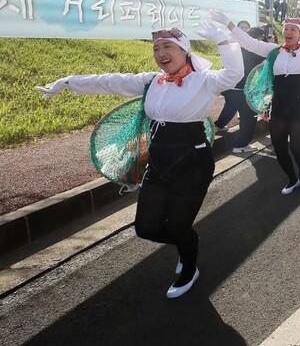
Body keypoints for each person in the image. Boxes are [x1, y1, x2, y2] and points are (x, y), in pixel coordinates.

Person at [35, 21, 244, 298]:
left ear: (184, 50)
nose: (160, 52)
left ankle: (189, 265)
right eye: (156, 48)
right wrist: (67, 82)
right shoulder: (151, 81)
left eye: (168, 46)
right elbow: (110, 81)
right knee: (146, 228)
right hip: (158, 161)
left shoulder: (204, 80)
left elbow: (234, 73)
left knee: (180, 224)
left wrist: (222, 38)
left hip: (192, 162)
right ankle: (186, 244)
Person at [209, 3, 300, 194]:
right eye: (286, 29)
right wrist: (227, 23)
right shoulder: (273, 51)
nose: (288, 32)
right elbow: (248, 42)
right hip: (278, 106)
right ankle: (292, 178)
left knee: (298, 147)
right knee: (280, 148)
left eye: (293, 29)